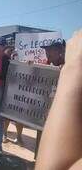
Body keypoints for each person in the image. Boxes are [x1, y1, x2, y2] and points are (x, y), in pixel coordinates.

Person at [36, 30, 82, 170]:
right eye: (46, 51)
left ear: (61, 51)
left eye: (51, 51)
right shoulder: (52, 66)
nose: (47, 54)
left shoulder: (73, 71)